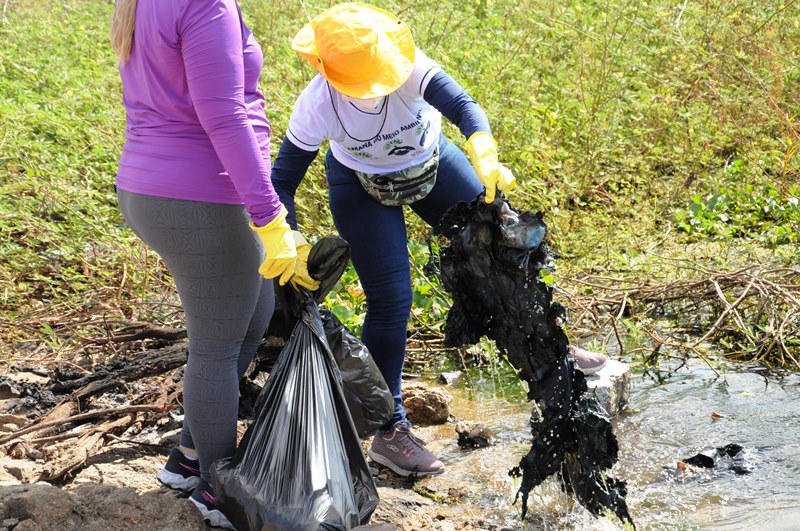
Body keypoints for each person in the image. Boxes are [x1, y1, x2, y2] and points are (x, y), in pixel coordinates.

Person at [271, 3, 607, 479]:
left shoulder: (410, 68)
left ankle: (552, 347)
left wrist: (483, 148)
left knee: (501, 249)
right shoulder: (318, 102)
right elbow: (282, 177)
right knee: (391, 301)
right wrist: (283, 232)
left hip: (433, 166)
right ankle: (390, 432)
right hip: (361, 186)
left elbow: (464, 107)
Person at [110, 0, 317, 528]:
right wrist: (271, 218)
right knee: (218, 346)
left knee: (255, 312)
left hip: (153, 185)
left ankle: (189, 456)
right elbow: (223, 115)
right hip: (198, 193)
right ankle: (218, 491)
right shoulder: (206, 4)